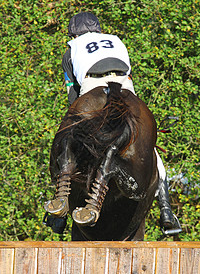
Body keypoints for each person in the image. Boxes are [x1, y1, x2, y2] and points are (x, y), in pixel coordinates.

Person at [44, 12, 181, 235]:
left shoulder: (71, 49)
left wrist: (76, 120)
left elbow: (73, 96)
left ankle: (59, 210)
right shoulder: (117, 41)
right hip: (124, 85)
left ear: (73, 32)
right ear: (98, 30)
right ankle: (166, 212)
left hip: (91, 84)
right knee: (150, 150)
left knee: (69, 135)